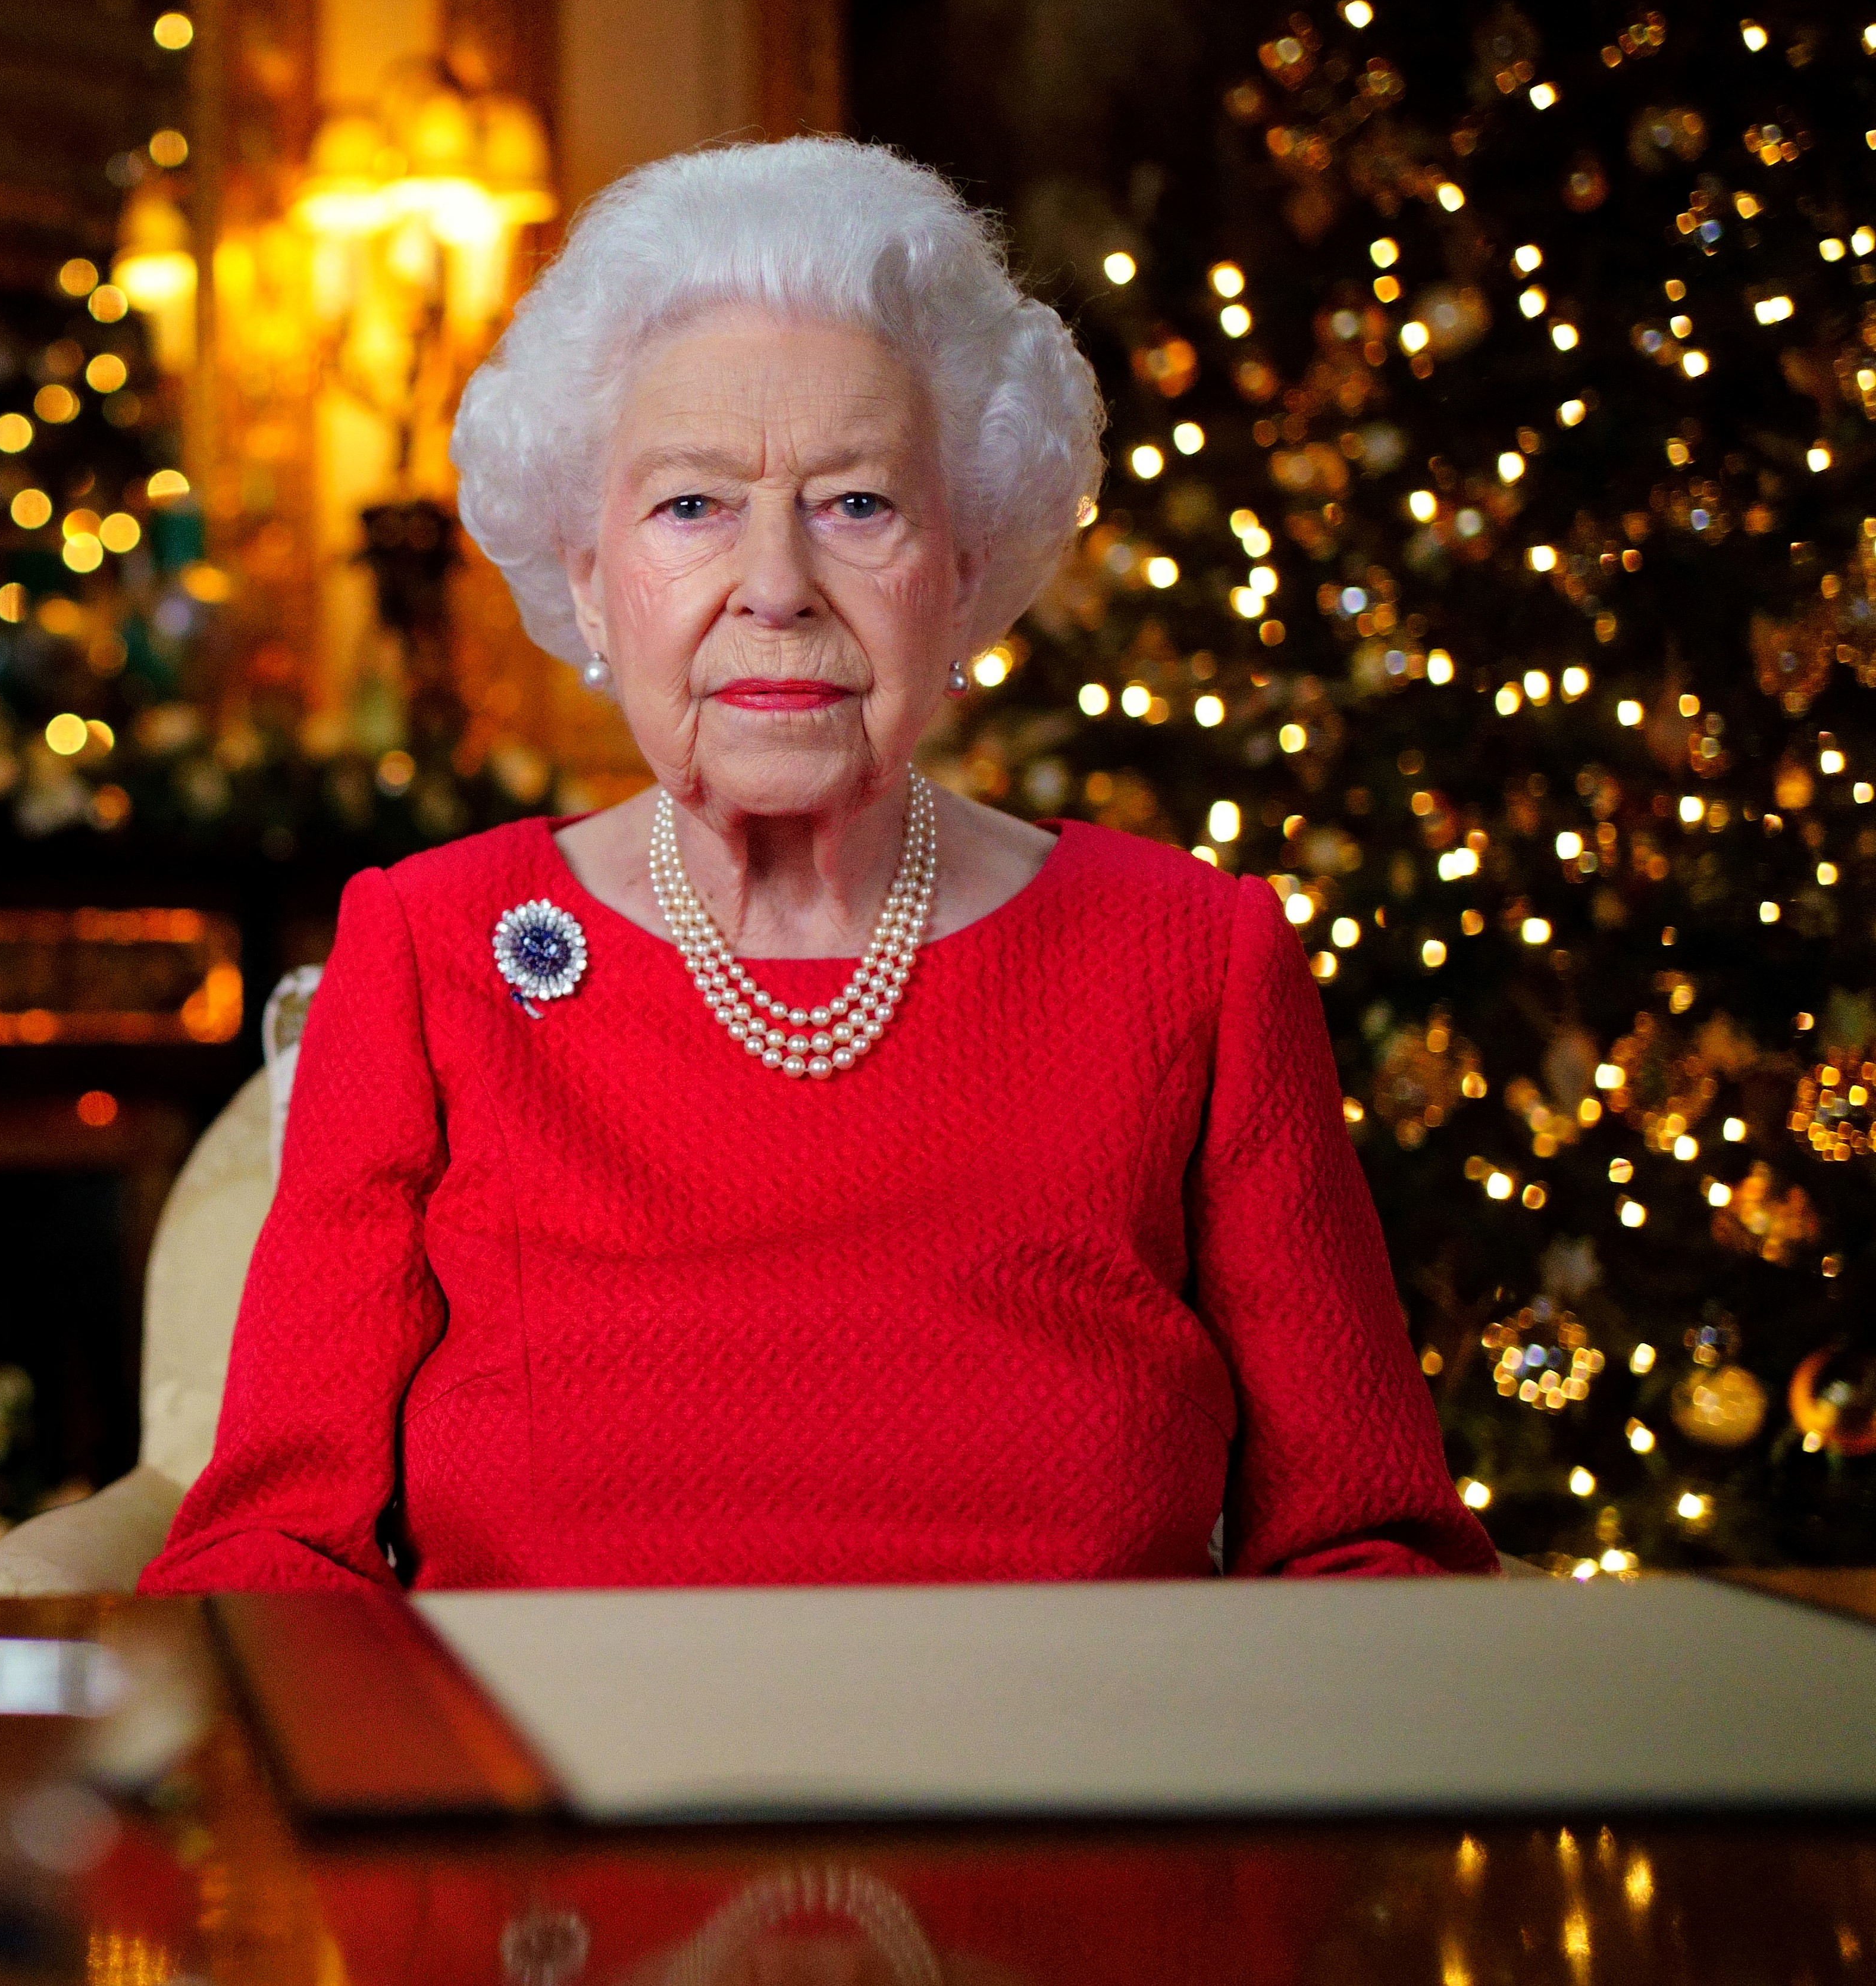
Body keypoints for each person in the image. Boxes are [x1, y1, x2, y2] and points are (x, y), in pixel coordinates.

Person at [142, 139, 1498, 1595]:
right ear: (589, 575)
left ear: (964, 567)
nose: (776, 584)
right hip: (554, 1803)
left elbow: (1366, 1547)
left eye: (857, 504)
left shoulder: (1185, 955)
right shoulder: (431, 947)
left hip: (1068, 1801)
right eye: (689, 507)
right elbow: (271, 1553)